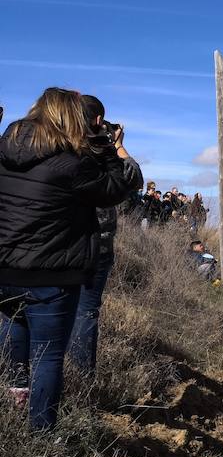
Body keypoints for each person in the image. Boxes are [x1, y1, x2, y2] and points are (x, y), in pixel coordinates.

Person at [0, 87, 133, 429]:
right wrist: (107, 147)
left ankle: (14, 400)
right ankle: (42, 435)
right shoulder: (72, 162)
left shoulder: (4, 149)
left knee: (13, 333)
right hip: (52, 273)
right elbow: (115, 190)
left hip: (5, 270)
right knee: (47, 358)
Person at [68, 96, 144, 376]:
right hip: (94, 243)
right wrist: (117, 145)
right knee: (85, 310)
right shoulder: (101, 150)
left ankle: (19, 379)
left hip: (49, 243)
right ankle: (79, 378)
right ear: (99, 120)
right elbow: (133, 179)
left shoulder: (52, 144)